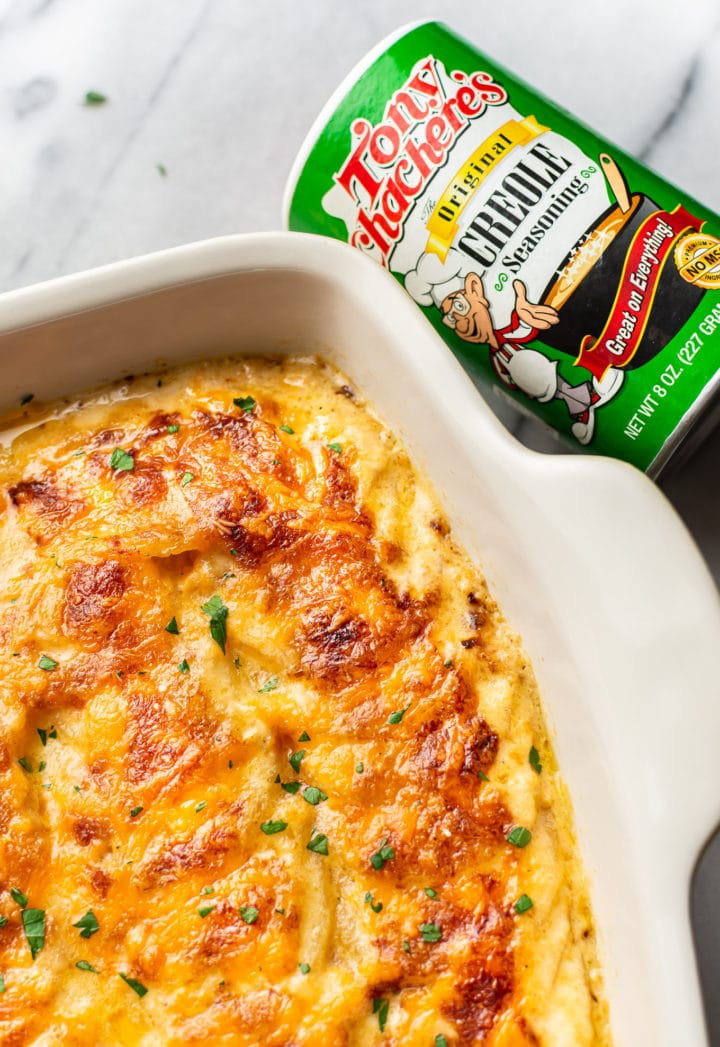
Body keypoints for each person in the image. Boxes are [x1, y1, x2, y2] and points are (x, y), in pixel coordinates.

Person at [439, 272, 624, 445]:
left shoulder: (507, 331)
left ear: (476, 291)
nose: (462, 322)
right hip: (614, 453)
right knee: (535, 376)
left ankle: (591, 394)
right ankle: (586, 405)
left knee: (543, 363)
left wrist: (523, 307)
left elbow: (523, 328)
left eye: (460, 306)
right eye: (451, 319)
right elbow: (507, 379)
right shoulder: (493, 359)